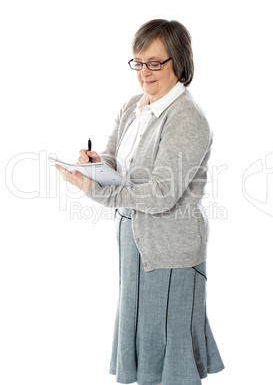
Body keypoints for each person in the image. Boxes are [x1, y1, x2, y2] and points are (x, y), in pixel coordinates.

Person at [56, 19, 225, 385]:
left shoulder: (187, 119)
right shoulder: (134, 106)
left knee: (168, 348)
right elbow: (115, 160)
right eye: (138, 62)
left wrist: (95, 189)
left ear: (178, 63)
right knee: (145, 340)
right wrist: (95, 164)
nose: (144, 73)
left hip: (170, 250)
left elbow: (162, 193)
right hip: (134, 242)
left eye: (154, 62)